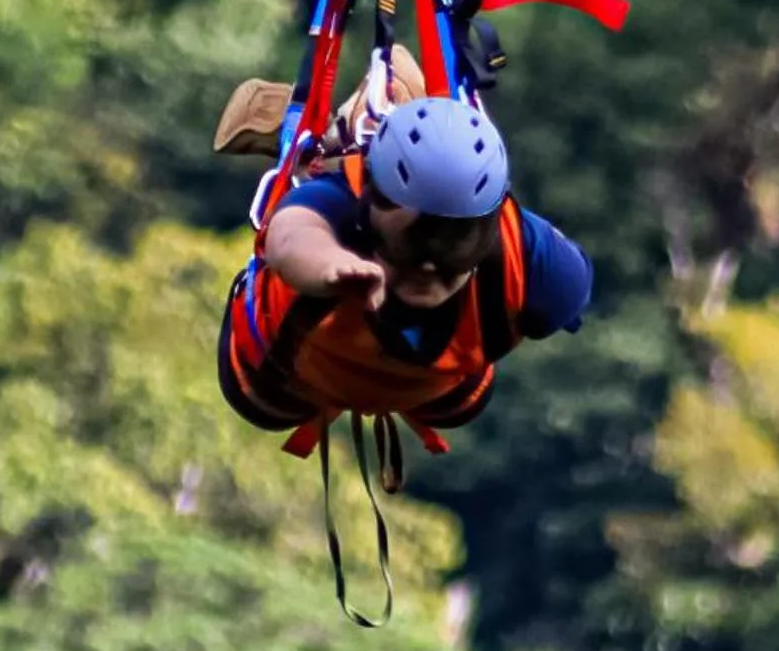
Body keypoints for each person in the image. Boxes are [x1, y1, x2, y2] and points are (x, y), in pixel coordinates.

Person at [217, 93, 592, 463]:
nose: (428, 267)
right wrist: (329, 266)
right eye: (409, 244)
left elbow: (574, 286)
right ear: (370, 210)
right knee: (261, 403)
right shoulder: (338, 201)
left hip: (438, 389)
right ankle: (329, 136)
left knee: (463, 405)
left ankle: (364, 117)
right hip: (289, 374)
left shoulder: (541, 270)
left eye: (453, 249)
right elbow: (291, 235)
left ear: (485, 235)